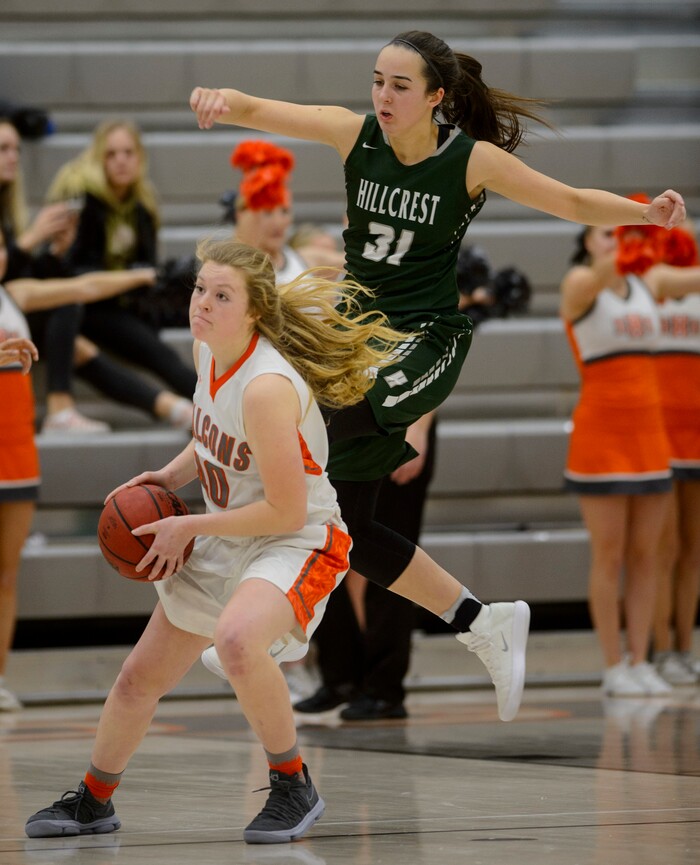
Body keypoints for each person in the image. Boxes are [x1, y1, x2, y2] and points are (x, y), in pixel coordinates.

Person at [190, 30, 686, 723]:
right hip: (354, 335)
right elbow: (265, 110)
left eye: (399, 85)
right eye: (377, 81)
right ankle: (484, 621)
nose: (383, 96)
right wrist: (222, 99)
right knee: (351, 527)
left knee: (311, 441)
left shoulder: (469, 160)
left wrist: (644, 215)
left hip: (424, 338)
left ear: (435, 97)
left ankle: (272, 619)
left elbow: (570, 203)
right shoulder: (353, 135)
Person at [24, 238, 409, 844]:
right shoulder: (210, 351)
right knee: (136, 679)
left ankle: (293, 784)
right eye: (200, 288)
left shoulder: (267, 385)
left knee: (234, 641)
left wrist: (189, 525)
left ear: (254, 312)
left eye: (221, 294)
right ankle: (94, 801)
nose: (201, 302)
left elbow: (284, 509)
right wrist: (169, 477)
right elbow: (212, 440)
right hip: (234, 531)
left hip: (299, 539)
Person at [0, 224, 162, 711]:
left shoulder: (14, 295)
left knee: (7, 574)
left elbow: (85, 287)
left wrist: (141, 276)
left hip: (17, 448)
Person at [561, 217, 700, 697]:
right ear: (586, 241)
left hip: (651, 435)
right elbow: (598, 276)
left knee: (646, 555)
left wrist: (671, 245)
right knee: (610, 555)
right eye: (606, 232)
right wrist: (624, 253)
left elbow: (691, 277)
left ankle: (642, 659)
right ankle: (612, 664)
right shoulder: (582, 282)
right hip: (602, 434)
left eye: (623, 233)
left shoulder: (649, 279)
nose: (618, 240)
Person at [43, 119, 197, 428]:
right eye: (111, 154)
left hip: (121, 303)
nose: (121, 161)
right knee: (157, 353)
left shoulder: (143, 203)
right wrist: (132, 276)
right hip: (81, 305)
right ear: (98, 159)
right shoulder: (83, 199)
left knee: (178, 326)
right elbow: (68, 271)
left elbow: (148, 266)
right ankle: (214, 408)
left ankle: (218, 404)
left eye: (128, 152)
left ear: (140, 157)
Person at [652, 220, 700, 684]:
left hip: (697, 433)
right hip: (659, 432)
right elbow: (662, 280)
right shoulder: (651, 278)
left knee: (692, 548)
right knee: (662, 549)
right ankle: (660, 649)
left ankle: (686, 646)